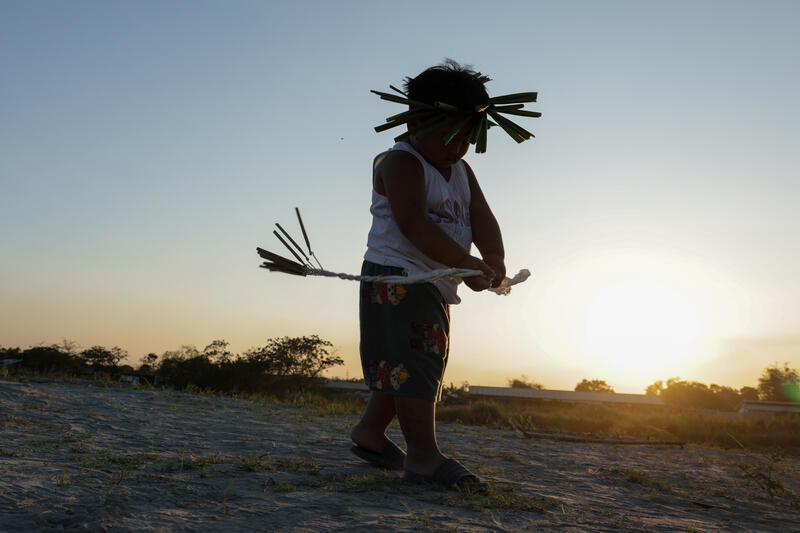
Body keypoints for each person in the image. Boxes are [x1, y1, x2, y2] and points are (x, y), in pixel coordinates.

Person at [350, 60, 507, 489]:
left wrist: (492, 257)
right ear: (416, 120)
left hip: (432, 282)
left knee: (404, 363)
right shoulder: (400, 163)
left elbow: (482, 216)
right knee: (416, 363)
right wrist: (468, 264)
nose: (457, 147)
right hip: (397, 280)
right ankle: (423, 456)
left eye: (466, 138)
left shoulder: (461, 170)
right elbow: (415, 227)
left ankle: (369, 433)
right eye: (448, 135)